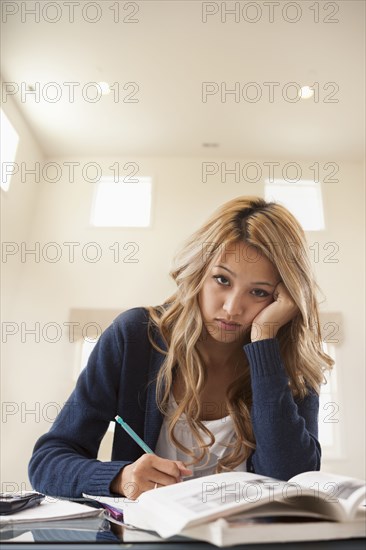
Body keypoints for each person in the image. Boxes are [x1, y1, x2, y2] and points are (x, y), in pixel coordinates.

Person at [28, 196, 333, 500]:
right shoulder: (134, 337)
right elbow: (47, 463)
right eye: (222, 279)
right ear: (199, 271)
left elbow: (292, 482)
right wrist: (120, 478)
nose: (231, 308)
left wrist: (265, 341)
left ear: (283, 298)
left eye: (258, 291)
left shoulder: (293, 366)